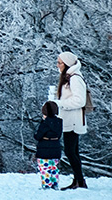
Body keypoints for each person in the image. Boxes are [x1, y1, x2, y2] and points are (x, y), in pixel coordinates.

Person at [52, 51, 88, 190]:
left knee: (70, 151)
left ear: (66, 64)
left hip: (73, 120)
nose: (57, 65)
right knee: (72, 151)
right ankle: (78, 180)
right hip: (68, 120)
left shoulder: (74, 78)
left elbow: (79, 101)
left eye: (60, 63)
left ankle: (79, 181)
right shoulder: (69, 77)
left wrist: (60, 104)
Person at [34, 101, 63, 189]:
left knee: (45, 168)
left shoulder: (45, 123)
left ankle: (46, 184)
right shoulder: (59, 122)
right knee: (54, 167)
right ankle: (54, 183)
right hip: (56, 148)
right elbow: (59, 135)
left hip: (44, 149)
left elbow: (38, 136)